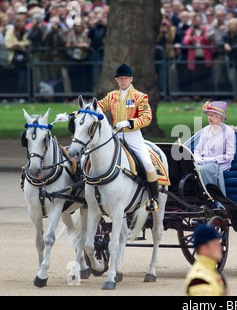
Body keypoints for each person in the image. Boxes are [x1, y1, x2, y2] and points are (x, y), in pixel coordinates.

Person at [55, 64, 160, 212]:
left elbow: (147, 117)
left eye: (125, 78)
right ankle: (87, 194)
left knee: (147, 164)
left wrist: (130, 123)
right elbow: (92, 110)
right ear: (117, 80)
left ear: (131, 79)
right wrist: (70, 115)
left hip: (132, 135)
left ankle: (153, 198)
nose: (123, 81)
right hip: (115, 134)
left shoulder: (140, 97)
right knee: (86, 159)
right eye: (120, 79)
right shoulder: (112, 96)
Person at [194, 100, 235, 197]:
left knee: (203, 170)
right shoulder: (205, 130)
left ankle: (208, 197)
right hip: (203, 162)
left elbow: (229, 156)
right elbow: (197, 149)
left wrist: (213, 160)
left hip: (220, 165)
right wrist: (198, 159)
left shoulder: (229, 131)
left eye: (212, 115)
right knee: (191, 169)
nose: (209, 118)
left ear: (220, 117)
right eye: (208, 115)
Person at [185, 224, 228, 296]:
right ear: (204, 249)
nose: (220, 248)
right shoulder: (199, 279)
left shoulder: (211, 271)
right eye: (215, 245)